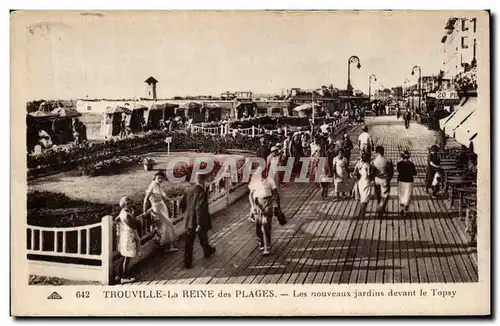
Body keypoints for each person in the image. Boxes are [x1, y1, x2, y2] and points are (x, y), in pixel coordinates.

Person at [179, 173, 216, 268]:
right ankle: (207, 251)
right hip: (199, 221)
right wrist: (199, 224)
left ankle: (187, 262)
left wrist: (188, 214)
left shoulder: (188, 190)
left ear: (196, 180)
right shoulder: (201, 192)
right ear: (202, 180)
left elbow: (182, 205)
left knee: (189, 242)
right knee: (203, 236)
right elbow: (200, 209)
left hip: (189, 221)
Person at [249, 166, 282, 256]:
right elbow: (250, 195)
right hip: (257, 203)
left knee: (265, 224)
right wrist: (252, 207)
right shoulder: (255, 181)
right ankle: (261, 242)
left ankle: (267, 248)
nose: (261, 173)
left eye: (263, 171)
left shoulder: (270, 180)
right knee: (258, 225)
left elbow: (275, 193)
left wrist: (277, 206)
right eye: (259, 172)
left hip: (268, 202)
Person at [143, 171, 178, 254]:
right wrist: (144, 211)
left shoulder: (158, 185)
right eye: (159, 178)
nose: (160, 180)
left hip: (162, 207)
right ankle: (166, 246)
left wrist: (169, 200)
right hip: (157, 208)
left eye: (162, 178)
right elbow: (145, 199)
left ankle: (168, 246)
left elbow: (164, 195)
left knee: (167, 224)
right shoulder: (152, 186)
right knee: (165, 225)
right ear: (155, 177)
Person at [116, 196, 141, 284]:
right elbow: (133, 225)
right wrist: (135, 217)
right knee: (127, 257)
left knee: (124, 256)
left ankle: (119, 275)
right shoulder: (126, 215)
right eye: (129, 203)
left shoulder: (122, 212)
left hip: (124, 236)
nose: (131, 204)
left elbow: (117, 219)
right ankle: (124, 277)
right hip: (128, 237)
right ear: (126, 205)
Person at [371, 145, 394, 216]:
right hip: (385, 180)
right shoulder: (388, 161)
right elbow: (391, 172)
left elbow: (372, 172)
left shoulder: (373, 161)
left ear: (376, 152)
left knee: (378, 195)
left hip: (377, 179)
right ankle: (381, 208)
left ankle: (380, 207)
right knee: (384, 195)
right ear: (383, 152)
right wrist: (388, 178)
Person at [397, 150, 417, 216]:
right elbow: (415, 173)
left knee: (401, 195)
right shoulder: (411, 164)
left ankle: (402, 208)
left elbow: (398, 171)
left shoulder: (399, 164)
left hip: (401, 181)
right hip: (409, 181)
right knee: (407, 195)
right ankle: (406, 209)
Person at [353, 152, 372, 218]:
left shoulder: (359, 164)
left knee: (362, 198)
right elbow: (369, 175)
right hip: (366, 182)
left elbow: (354, 173)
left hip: (360, 182)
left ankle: (361, 212)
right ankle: (362, 214)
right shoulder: (368, 165)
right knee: (365, 198)